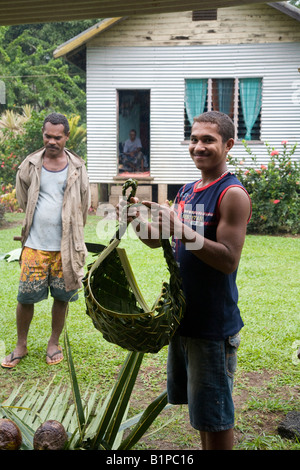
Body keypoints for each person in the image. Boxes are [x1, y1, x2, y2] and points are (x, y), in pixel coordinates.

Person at [122, 111, 251, 450]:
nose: (198, 146)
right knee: (202, 414)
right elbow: (158, 239)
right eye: (194, 139)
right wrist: (134, 219)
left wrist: (179, 227)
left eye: (208, 140)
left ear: (228, 144)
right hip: (183, 318)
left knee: (217, 417)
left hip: (211, 324)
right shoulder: (187, 191)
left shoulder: (232, 194)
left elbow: (227, 259)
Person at [1, 112, 90, 369]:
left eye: (57, 137)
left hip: (65, 248)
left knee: (62, 297)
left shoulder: (77, 167)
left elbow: (83, 203)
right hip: (35, 246)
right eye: (47, 136)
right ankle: (21, 345)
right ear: (43, 134)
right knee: (25, 298)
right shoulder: (29, 165)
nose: (52, 141)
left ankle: (53, 343)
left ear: (66, 137)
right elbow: (22, 198)